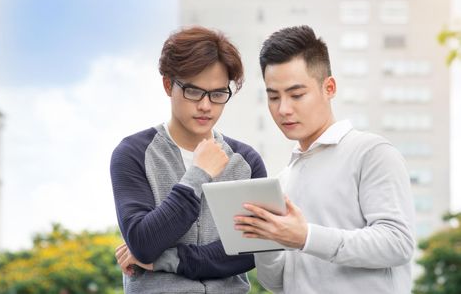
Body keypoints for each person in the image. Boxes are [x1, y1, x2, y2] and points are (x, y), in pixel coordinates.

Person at [234, 25, 416, 294]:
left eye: (297, 95)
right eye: (273, 97)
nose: (283, 109)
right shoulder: (284, 178)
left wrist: (306, 236)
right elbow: (278, 283)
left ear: (329, 87)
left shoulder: (371, 152)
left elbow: (397, 243)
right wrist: (265, 240)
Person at [110, 26, 267, 293]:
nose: (206, 105)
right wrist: (198, 174)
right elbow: (143, 243)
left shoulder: (246, 161)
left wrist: (168, 260)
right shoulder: (132, 154)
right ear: (168, 84)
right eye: (194, 91)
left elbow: (251, 252)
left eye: (218, 94)